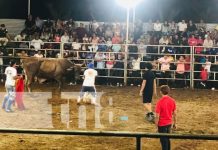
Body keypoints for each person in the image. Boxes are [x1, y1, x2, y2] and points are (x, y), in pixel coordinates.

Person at [155, 85, 177, 150]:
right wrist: (175, 123)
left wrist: (156, 126)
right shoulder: (172, 100)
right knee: (167, 139)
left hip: (162, 124)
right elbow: (175, 114)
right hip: (169, 123)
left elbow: (157, 116)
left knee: (163, 141)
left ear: (161, 92)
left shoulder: (159, 102)